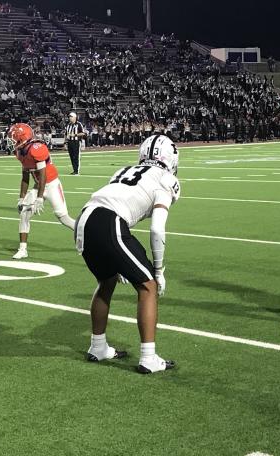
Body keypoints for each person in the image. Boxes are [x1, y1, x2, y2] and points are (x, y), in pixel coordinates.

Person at [74, 134, 180, 374]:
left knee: (106, 281)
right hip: (108, 222)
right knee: (148, 286)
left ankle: (98, 347)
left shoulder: (124, 169)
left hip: (86, 218)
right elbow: (157, 228)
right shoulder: (166, 179)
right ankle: (149, 357)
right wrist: (159, 270)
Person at [7, 123, 75, 259]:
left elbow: (43, 175)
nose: (12, 142)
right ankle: (23, 249)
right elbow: (25, 176)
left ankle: (88, 233)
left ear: (22, 138)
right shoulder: (20, 152)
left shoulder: (37, 148)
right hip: (39, 186)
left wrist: (39, 198)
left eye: (13, 139)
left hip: (51, 184)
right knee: (24, 214)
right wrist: (21, 198)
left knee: (63, 218)